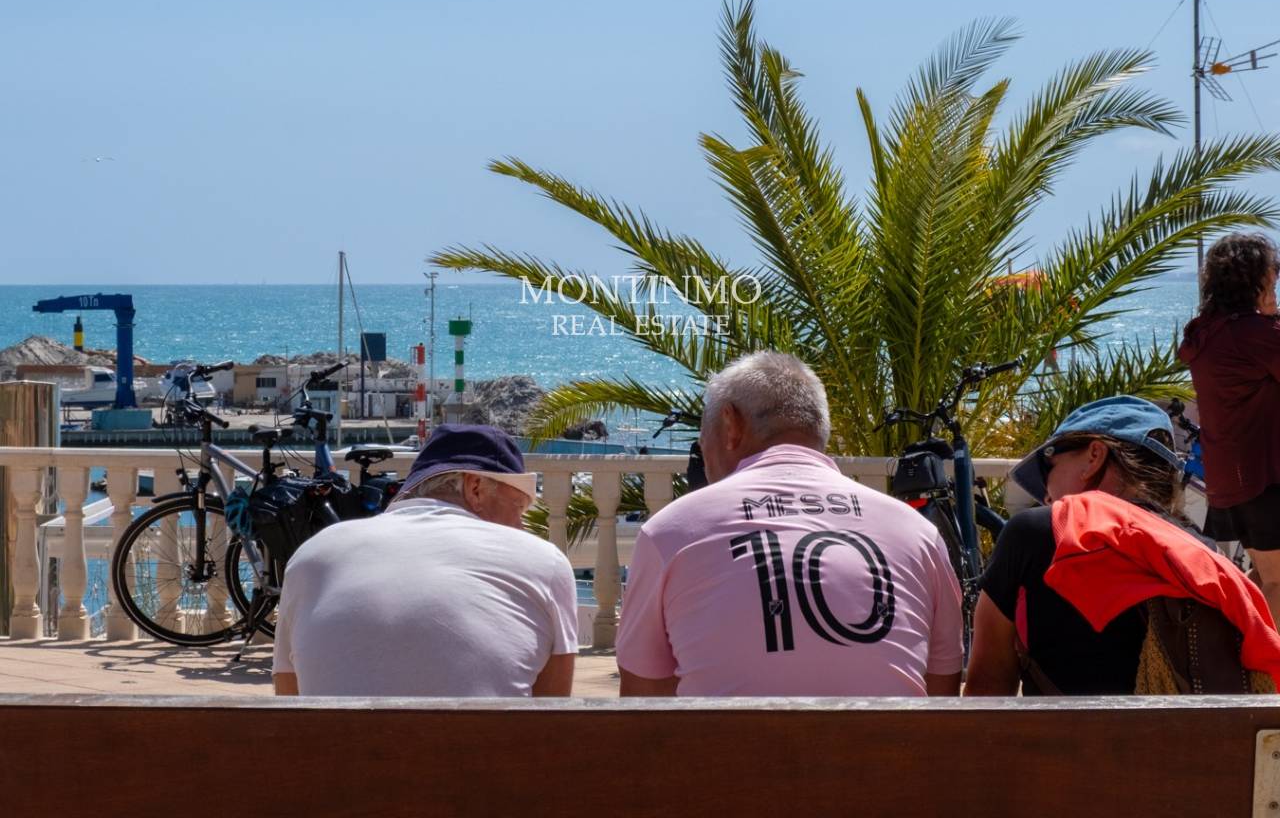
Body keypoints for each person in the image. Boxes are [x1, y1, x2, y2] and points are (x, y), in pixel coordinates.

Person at [615, 351, 964, 697]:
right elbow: (940, 693)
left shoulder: (671, 532)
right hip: (888, 737)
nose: (703, 452)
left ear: (730, 425)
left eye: (702, 436)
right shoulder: (918, 534)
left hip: (728, 737)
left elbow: (643, 705)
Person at [966, 396, 1280, 695]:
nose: (1047, 496)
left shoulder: (1039, 532)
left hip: (1063, 736)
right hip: (1192, 735)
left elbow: (987, 686)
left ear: (1094, 456)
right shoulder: (1206, 556)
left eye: (1048, 467)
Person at [272, 424, 578, 697]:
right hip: (478, 745)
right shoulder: (544, 561)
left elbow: (288, 699)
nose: (521, 526)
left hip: (335, 746)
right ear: (475, 489)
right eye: (517, 506)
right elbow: (550, 718)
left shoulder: (311, 556)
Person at [1178, 232, 1280, 618]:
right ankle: (1264, 658)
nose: (1275, 291)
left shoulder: (1207, 332)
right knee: (1277, 581)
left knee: (1262, 576)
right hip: (1263, 478)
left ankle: (1236, 646)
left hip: (1228, 478)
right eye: (1271, 282)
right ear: (1251, 281)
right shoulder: (1253, 335)